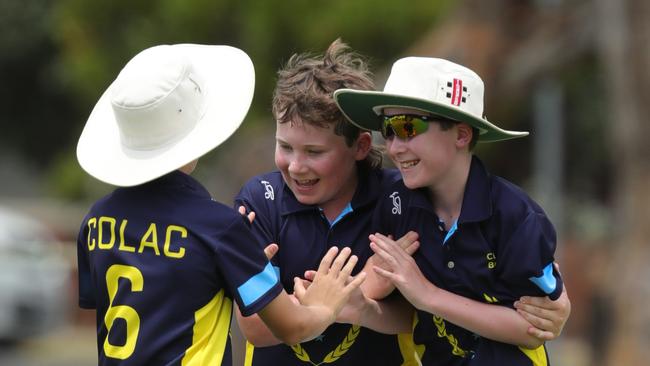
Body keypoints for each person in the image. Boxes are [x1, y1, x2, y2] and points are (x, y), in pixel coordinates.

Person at [235, 40, 569, 366]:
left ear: (362, 146)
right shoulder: (260, 201)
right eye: (389, 129)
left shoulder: (404, 197)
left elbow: (415, 312)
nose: (295, 166)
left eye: (314, 152)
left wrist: (558, 299)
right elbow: (256, 327)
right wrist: (343, 297)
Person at [74, 43, 365, 366]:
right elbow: (293, 327)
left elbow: (143, 298)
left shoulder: (95, 220)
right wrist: (324, 305)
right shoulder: (220, 228)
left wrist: (236, 265)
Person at [334, 56, 567, 365]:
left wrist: (428, 295)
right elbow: (404, 316)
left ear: (461, 134)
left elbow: (534, 328)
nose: (393, 147)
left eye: (407, 126)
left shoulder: (516, 216)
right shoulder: (393, 204)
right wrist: (362, 306)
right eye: (387, 129)